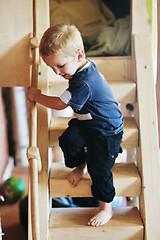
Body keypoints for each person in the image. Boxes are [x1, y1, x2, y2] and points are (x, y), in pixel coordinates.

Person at [27, 23, 124, 227]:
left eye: (60, 66)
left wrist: (37, 96)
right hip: (88, 122)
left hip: (106, 131)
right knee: (69, 140)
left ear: (80, 55)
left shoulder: (84, 81)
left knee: (100, 170)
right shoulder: (79, 67)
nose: (56, 72)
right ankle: (80, 164)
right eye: (51, 68)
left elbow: (59, 104)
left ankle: (106, 207)